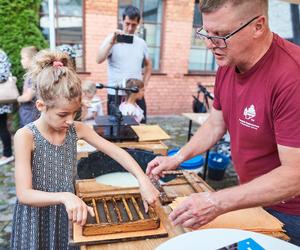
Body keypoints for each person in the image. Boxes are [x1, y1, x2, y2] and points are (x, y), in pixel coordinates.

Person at [146, 0, 300, 246]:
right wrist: (177, 158)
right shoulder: (229, 61)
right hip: (250, 197)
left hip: (291, 213)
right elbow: (216, 123)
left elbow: (295, 176)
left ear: (258, 26)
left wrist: (216, 201)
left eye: (220, 35)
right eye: (207, 32)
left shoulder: (292, 77)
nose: (209, 44)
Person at [10, 50, 159, 249]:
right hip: (36, 218)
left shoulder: (76, 129)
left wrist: (143, 180)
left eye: (75, 112)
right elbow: (24, 194)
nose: (70, 120)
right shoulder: (26, 136)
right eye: (63, 114)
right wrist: (65, 196)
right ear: (41, 105)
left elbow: (117, 152)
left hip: (67, 213)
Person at [96, 5, 152, 123]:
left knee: (140, 127)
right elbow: (99, 59)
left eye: (134, 24)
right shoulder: (111, 39)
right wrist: (111, 43)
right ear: (122, 21)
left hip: (135, 93)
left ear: (138, 24)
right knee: (117, 131)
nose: (130, 28)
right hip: (115, 93)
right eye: (127, 23)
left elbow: (148, 65)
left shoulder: (141, 43)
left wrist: (144, 85)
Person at [17, 46, 40, 127]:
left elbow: (28, 97)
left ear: (32, 59)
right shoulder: (31, 74)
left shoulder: (33, 75)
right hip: (28, 114)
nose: (21, 61)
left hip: (30, 115)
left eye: (23, 58)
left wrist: (18, 98)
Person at [0, 50, 14, 166]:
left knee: (2, 127)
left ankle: (8, 154)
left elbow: (4, 75)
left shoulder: (1, 54)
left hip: (1, 101)